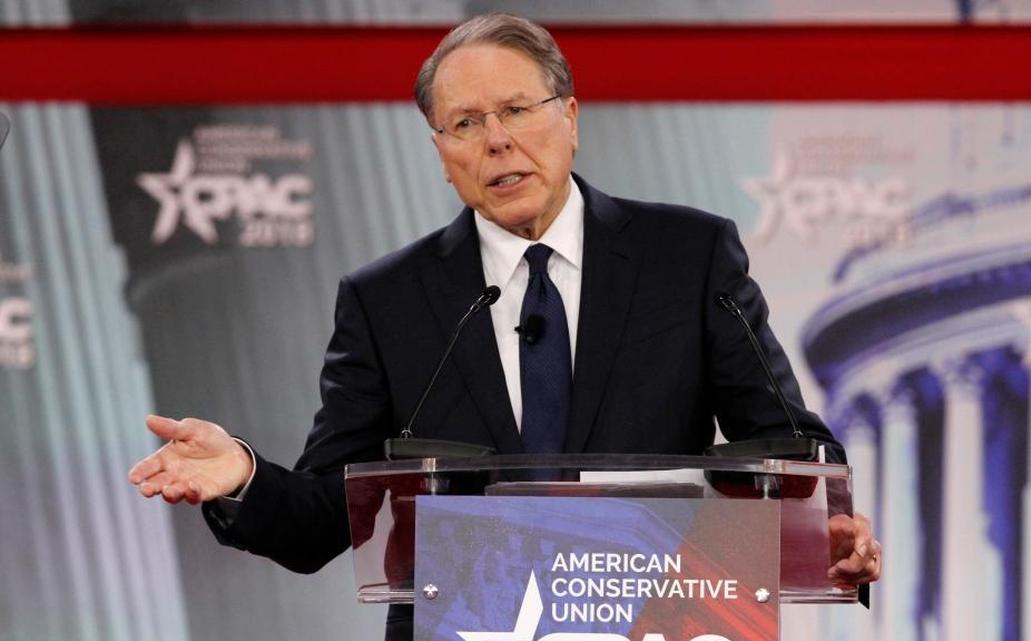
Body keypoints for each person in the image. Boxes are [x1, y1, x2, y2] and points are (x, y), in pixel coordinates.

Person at [129, 9, 881, 615]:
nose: (496, 141)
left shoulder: (687, 256)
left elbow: (787, 442)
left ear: (571, 117)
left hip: (662, 619)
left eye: (517, 110)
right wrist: (244, 476)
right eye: (464, 124)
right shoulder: (388, 300)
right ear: (441, 152)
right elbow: (326, 515)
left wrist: (825, 528)